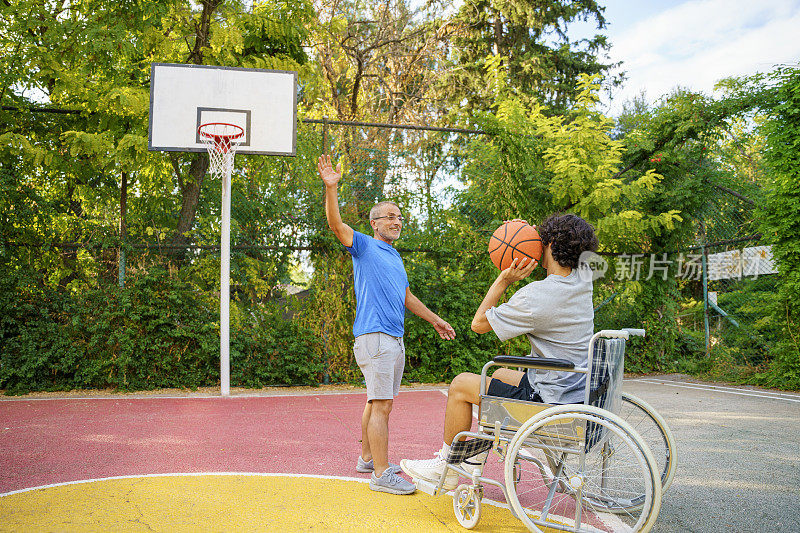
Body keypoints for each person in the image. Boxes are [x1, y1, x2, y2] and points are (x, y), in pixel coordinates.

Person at [401, 213, 599, 489]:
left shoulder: (537, 296)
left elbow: (478, 324)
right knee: (503, 373)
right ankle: (475, 456)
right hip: (576, 390)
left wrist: (503, 280)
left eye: (543, 239)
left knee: (460, 385)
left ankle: (447, 466)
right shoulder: (583, 280)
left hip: (551, 401)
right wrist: (526, 232)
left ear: (552, 244)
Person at [317, 154, 456, 495]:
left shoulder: (394, 257)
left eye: (399, 217)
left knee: (376, 401)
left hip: (392, 337)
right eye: (389, 217)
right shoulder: (364, 245)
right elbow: (336, 225)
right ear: (375, 224)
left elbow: (406, 296)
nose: (397, 221)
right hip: (375, 336)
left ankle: (367, 457)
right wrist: (331, 188)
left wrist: (435, 319)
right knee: (382, 405)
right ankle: (381, 474)